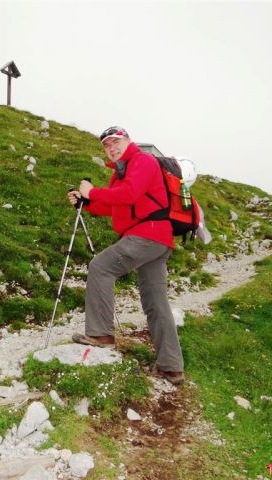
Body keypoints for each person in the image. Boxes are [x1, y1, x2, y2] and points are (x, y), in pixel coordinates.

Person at [67, 126, 185, 384]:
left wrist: (92, 192)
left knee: (101, 266)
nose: (112, 148)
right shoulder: (122, 172)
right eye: (107, 145)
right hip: (155, 238)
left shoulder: (143, 161)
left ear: (128, 141)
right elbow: (116, 205)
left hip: (147, 234)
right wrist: (87, 202)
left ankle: (101, 334)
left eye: (116, 142)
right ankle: (171, 367)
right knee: (155, 301)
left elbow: (129, 194)